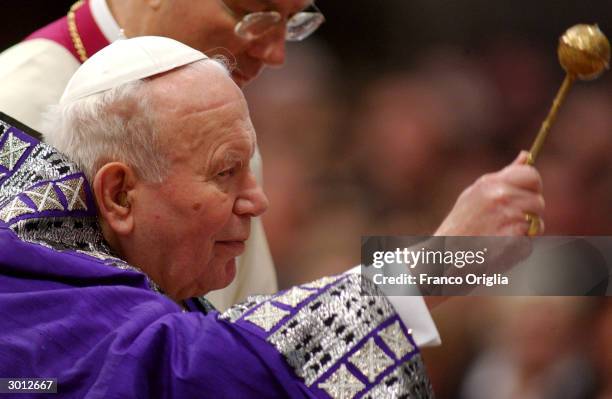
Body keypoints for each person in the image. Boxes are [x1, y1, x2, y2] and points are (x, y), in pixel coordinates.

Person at [0, 36, 544, 397]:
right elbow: (195, 371)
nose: (257, 202)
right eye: (225, 172)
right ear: (119, 195)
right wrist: (445, 263)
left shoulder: (127, 278)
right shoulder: (32, 297)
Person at [0, 0, 322, 309]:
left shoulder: (223, 126)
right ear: (118, 192)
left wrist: (373, 274)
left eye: (291, 21)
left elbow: (250, 332)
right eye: (251, 13)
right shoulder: (12, 104)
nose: (276, 53)